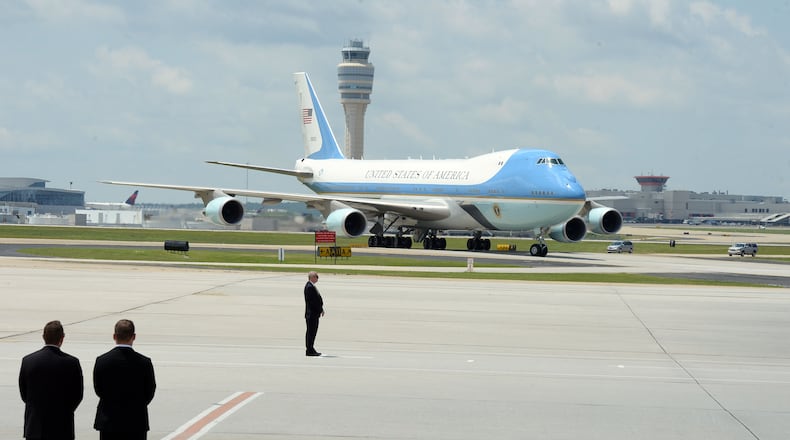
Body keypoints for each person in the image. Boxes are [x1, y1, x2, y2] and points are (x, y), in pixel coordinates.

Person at [19, 320, 84, 440]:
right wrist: (65, 410)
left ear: (43, 336)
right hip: (62, 425)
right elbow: (77, 395)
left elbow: (24, 394)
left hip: (35, 426)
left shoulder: (28, 360)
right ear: (62, 338)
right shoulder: (72, 362)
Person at [93, 319, 156, 440]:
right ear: (134, 337)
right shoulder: (144, 362)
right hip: (136, 420)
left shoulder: (102, 360)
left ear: (114, 336)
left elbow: (99, 389)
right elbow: (150, 391)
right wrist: (137, 404)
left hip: (109, 421)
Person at [304, 271, 325, 356]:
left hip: (314, 314)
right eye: (316, 276)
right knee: (311, 332)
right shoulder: (309, 287)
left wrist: (321, 309)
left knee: (312, 332)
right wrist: (320, 309)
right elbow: (313, 302)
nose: (317, 278)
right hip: (311, 314)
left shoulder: (312, 286)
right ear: (312, 277)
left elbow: (317, 301)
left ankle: (311, 348)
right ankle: (309, 350)